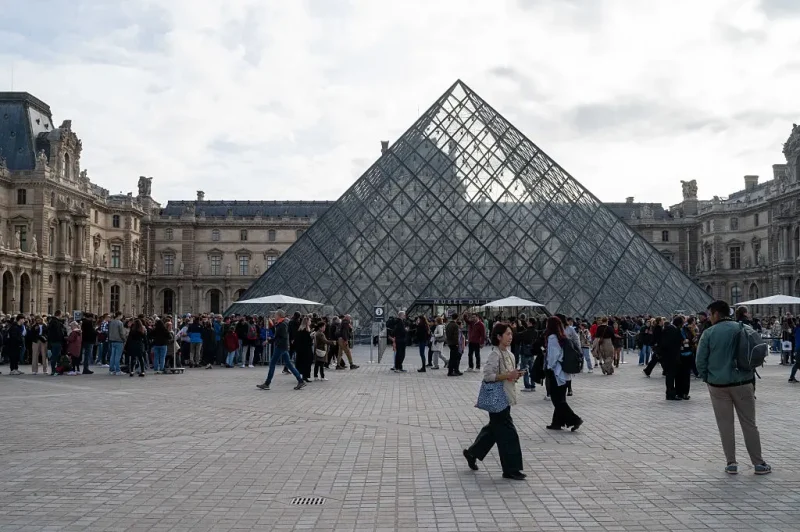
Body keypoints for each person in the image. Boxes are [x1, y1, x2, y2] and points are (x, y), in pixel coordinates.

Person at [696, 300, 771, 475]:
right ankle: (759, 464)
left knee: (725, 425)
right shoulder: (743, 328)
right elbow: (758, 349)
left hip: (718, 385)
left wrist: (709, 378)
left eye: (710, 314)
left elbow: (700, 361)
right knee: (749, 424)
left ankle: (731, 463)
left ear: (716, 314)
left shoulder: (708, 333)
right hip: (743, 382)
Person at [463, 322, 525, 480]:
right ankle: (511, 469)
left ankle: (472, 453)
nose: (510, 337)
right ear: (498, 337)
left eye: (511, 334)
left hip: (506, 397)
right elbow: (488, 376)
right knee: (508, 435)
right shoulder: (495, 354)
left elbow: (509, 375)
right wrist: (507, 375)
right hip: (497, 400)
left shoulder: (510, 355)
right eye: (507, 334)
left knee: (493, 431)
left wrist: (516, 375)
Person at [544, 316, 582, 431]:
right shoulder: (562, 336)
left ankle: (575, 419)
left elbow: (553, 355)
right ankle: (556, 423)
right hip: (564, 372)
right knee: (561, 398)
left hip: (556, 371)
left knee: (557, 400)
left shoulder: (552, 337)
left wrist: (549, 366)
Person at [257, 309, 306, 390]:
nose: (274, 316)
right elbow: (280, 337)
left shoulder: (282, 324)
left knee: (272, 364)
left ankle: (267, 383)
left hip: (280, 347)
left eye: (276, 315)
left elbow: (281, 337)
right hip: (283, 347)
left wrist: (269, 341)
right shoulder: (282, 323)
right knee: (289, 365)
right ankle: (300, 381)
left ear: (279, 315)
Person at [660, 316, 683, 401]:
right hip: (672, 356)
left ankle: (670, 393)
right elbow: (677, 341)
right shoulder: (674, 330)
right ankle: (671, 394)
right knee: (671, 376)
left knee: (669, 375)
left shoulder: (668, 328)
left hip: (667, 356)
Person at [46, 310, 67, 376]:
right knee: (55, 356)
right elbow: (59, 333)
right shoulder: (56, 322)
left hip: (53, 341)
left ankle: (56, 370)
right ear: (59, 314)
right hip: (57, 341)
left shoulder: (52, 321)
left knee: (56, 356)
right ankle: (54, 370)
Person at [295, 316, 314, 383]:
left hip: (301, 350)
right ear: (307, 322)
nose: (310, 322)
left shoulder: (300, 330)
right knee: (307, 363)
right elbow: (307, 341)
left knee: (303, 363)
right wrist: (311, 337)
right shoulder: (305, 331)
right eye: (310, 321)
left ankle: (303, 376)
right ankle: (305, 376)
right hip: (306, 350)